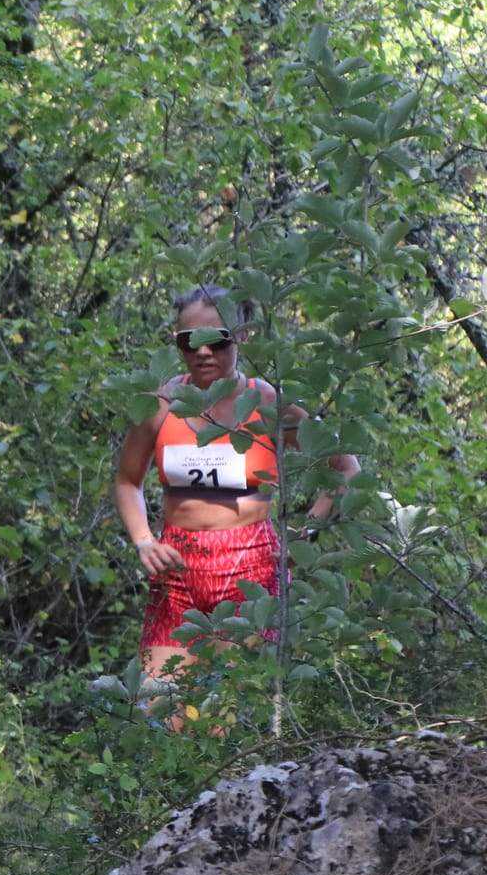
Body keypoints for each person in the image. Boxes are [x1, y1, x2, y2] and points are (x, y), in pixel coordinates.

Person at [114, 286, 361, 699]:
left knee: (225, 710)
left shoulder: (266, 401)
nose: (203, 352)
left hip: (251, 570)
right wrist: (143, 540)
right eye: (189, 341)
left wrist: (304, 535)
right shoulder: (158, 404)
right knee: (156, 708)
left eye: (217, 339)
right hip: (176, 569)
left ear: (241, 336)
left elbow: (345, 466)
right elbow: (127, 481)